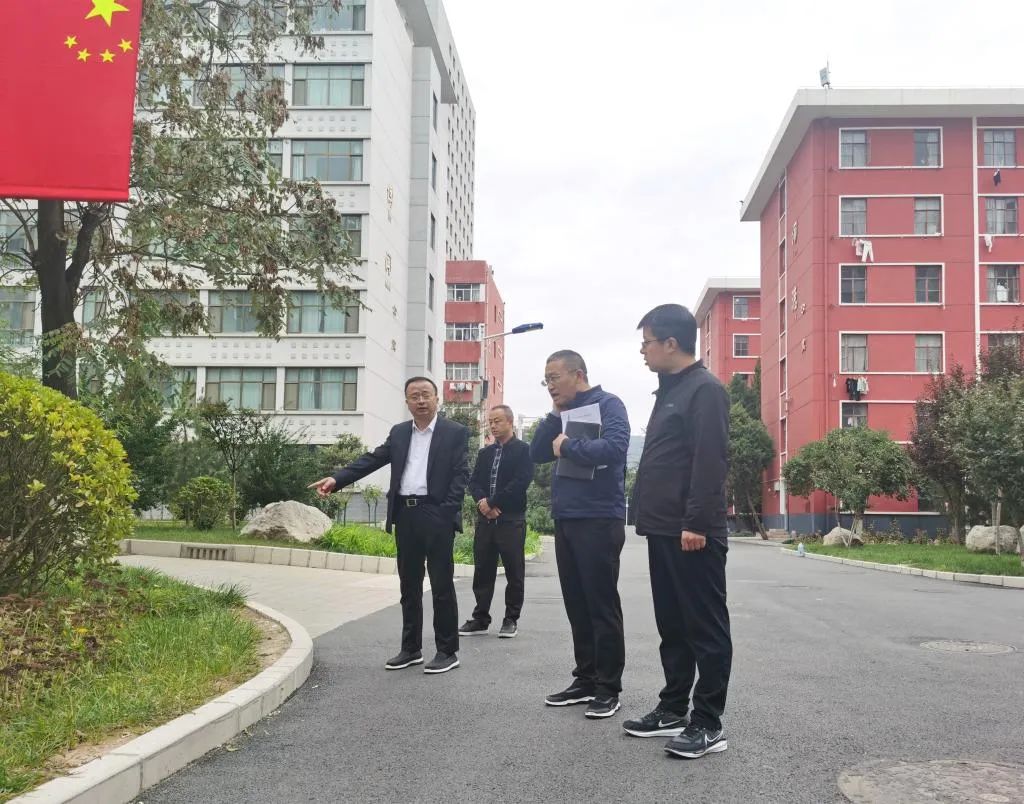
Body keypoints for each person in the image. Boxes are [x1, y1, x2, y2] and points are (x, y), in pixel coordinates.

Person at [623, 304, 733, 759]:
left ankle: (708, 723)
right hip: (665, 529)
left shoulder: (704, 390)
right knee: (672, 625)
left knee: (704, 628)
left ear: (671, 343)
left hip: (692, 532)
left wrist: (696, 523)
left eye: (646, 343)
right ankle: (672, 708)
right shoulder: (669, 391)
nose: (642, 352)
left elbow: (709, 461)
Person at [309, 377, 469, 675]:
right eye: (413, 396)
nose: (420, 401)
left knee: (442, 585)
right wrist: (337, 479)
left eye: (425, 395)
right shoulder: (398, 433)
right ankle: (411, 649)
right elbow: (372, 459)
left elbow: (461, 475)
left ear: (437, 399)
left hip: (436, 515)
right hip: (405, 516)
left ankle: (447, 651)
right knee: (408, 585)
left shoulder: (454, 432)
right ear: (407, 402)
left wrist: (446, 512)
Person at [529, 350, 630, 719]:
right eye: (546, 380)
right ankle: (585, 678)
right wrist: (555, 416)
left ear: (579, 373)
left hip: (600, 518)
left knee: (601, 604)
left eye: (554, 377)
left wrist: (570, 445)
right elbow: (538, 453)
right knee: (577, 604)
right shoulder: (562, 413)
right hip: (566, 518)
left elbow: (617, 448)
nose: (550, 386)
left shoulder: (609, 404)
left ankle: (608, 687)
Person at [460, 404, 534, 639]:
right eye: (490, 421)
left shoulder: (524, 451)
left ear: (510, 422)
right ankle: (480, 618)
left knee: (514, 571)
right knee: (483, 570)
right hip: (486, 521)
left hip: (511, 520)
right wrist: (482, 502)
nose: (493, 425)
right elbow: (474, 482)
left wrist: (492, 502)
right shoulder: (485, 453)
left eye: (498, 421)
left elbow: (520, 482)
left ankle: (511, 619)